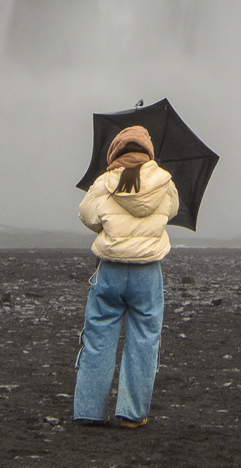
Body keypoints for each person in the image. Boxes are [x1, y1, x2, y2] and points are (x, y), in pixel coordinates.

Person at [74, 125, 179, 429]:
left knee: (98, 337)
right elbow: (170, 212)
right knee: (145, 339)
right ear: (148, 151)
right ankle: (132, 414)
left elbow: (88, 216)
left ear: (115, 151)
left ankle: (89, 411)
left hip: (110, 268)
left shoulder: (103, 183)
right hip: (147, 271)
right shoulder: (165, 183)